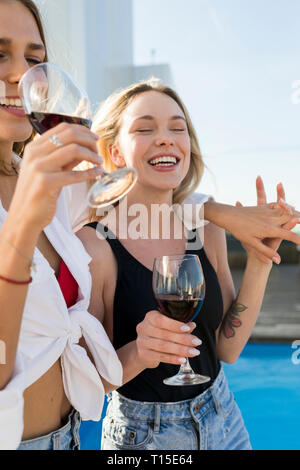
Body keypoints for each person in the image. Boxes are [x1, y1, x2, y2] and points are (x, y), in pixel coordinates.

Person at [76, 80, 299, 450]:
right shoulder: (95, 246)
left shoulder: (204, 229)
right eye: (145, 128)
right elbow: (83, 384)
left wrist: (260, 260)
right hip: (144, 435)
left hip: (224, 417)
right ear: (114, 152)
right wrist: (138, 353)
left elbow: (226, 349)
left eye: (177, 128)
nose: (166, 138)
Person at [0, 0, 122, 450]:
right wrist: (21, 227)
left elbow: (147, 202)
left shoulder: (41, 178)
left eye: (34, 60)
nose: (19, 74)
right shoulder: (38, 193)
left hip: (72, 436)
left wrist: (222, 216)